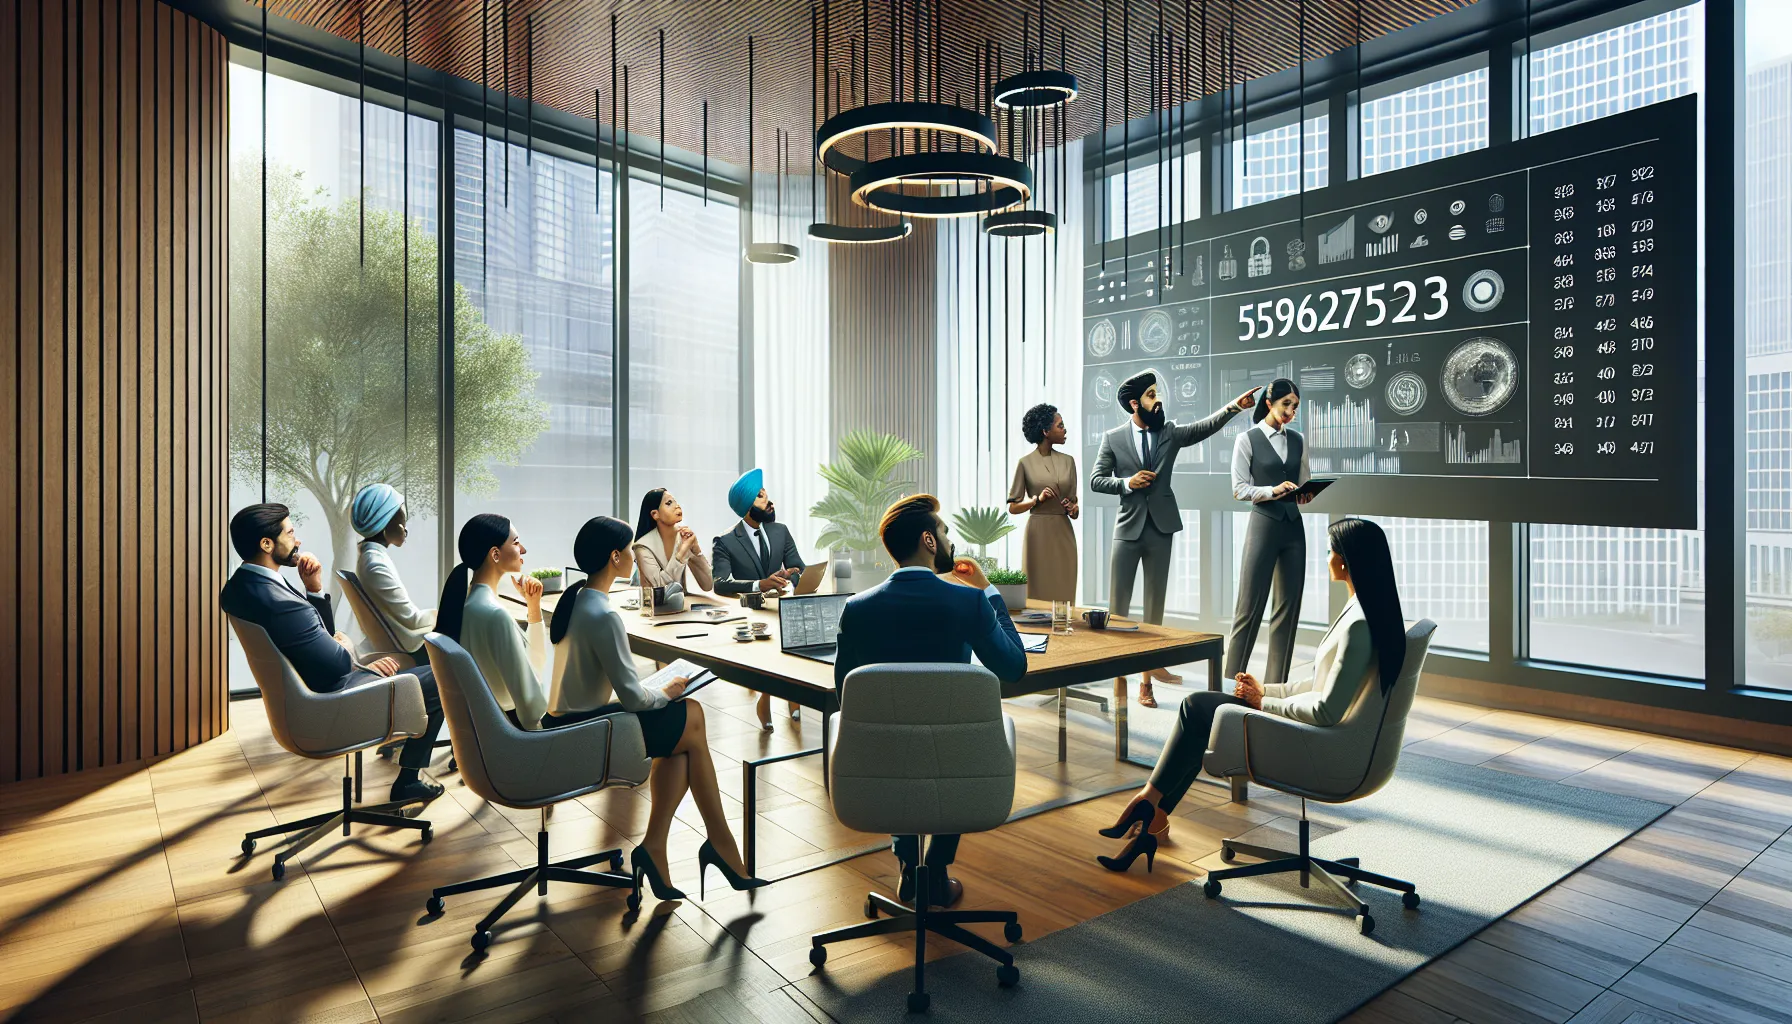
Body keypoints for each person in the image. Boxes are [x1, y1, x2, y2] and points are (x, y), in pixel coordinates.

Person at [1095, 517, 1406, 873]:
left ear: (1346, 561)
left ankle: (1149, 805)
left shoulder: (1359, 624)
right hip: (1314, 731)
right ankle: (1153, 814)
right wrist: (1265, 691)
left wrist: (1263, 704)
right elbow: (1319, 685)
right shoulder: (1364, 612)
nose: (1326, 558)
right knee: (1199, 715)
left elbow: (1326, 709)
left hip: (1314, 744)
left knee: (1196, 707)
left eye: (1330, 551)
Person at [548, 516, 767, 901]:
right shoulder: (603, 614)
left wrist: (662, 692)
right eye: (630, 550)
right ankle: (720, 845)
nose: (634, 555)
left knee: (683, 744)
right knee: (692, 716)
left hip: (566, 722)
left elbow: (622, 690)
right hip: (585, 731)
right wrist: (666, 691)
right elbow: (633, 698)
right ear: (615, 557)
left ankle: (659, 848)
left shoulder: (580, 599)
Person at [832, 494, 1030, 909]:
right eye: (944, 532)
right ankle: (936, 867)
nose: (949, 541)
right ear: (928, 540)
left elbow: (846, 698)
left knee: (899, 735)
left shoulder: (857, 609)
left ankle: (908, 865)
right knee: (948, 732)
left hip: (883, 764)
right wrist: (988, 590)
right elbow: (1014, 666)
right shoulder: (968, 601)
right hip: (955, 763)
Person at [220, 503, 444, 804]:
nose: (297, 541)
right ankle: (408, 780)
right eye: (290, 532)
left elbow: (317, 643)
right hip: (332, 705)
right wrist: (360, 660)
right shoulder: (283, 604)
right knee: (443, 677)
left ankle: (403, 735)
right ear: (266, 544)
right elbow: (337, 662)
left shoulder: (242, 587)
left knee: (413, 675)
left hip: (303, 700)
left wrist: (313, 590)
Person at [1089, 371, 1259, 707]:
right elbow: (1096, 479)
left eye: (1158, 393)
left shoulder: (1168, 432)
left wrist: (1234, 408)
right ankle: (1120, 678)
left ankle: (1146, 682)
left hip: (1161, 529)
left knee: (1154, 611)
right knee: (1118, 609)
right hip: (1127, 529)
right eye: (1152, 394)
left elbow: (1202, 429)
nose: (1159, 399)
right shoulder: (1113, 438)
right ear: (1135, 403)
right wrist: (1126, 483)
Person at [1225, 377, 1314, 692]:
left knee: (1287, 612)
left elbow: (1304, 482)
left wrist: (1305, 494)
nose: (1290, 411)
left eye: (1295, 406)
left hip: (1293, 528)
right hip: (1263, 524)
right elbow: (1238, 490)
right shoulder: (1247, 439)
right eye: (1285, 404)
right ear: (1269, 402)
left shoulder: (1299, 440)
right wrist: (1271, 491)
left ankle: (1274, 692)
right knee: (1248, 609)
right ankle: (1228, 686)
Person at [434, 514, 551, 733]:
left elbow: (532, 668)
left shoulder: (468, 604)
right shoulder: (495, 614)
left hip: (491, 731)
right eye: (516, 542)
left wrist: (533, 607)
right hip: (518, 735)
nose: (523, 550)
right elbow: (533, 707)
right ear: (495, 554)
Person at [712, 467, 807, 727]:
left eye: (766, 495)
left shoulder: (780, 531)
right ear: (746, 507)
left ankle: (783, 698)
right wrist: (759, 585)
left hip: (782, 605)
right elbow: (720, 584)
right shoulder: (725, 541)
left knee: (792, 640)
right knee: (775, 647)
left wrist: (790, 576)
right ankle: (773, 700)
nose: (769, 501)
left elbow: (799, 565)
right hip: (750, 612)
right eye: (761, 497)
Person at [351, 483, 435, 661]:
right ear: (385, 523)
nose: (405, 528)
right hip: (409, 650)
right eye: (402, 520)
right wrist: (442, 615)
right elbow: (411, 620)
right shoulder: (375, 564)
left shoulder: (370, 558)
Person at [1007, 403, 1080, 604]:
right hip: (1037, 533)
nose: (1065, 429)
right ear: (1045, 431)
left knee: (1064, 589)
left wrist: (1073, 509)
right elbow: (1013, 507)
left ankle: (1064, 629)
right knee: (1037, 591)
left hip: (1063, 531)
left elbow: (1075, 508)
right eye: (1060, 425)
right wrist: (1036, 500)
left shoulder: (1068, 461)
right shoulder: (1025, 463)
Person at [632, 488, 715, 594]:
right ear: (655, 514)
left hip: (682, 606)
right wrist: (680, 555)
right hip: (657, 609)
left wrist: (696, 551)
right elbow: (660, 590)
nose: (677, 506)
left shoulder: (683, 537)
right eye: (669, 503)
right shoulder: (642, 546)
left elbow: (708, 585)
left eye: (676, 501)